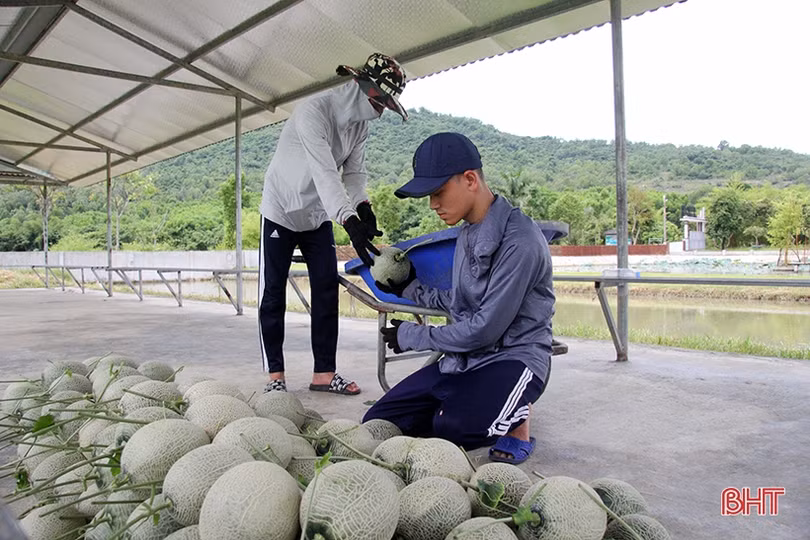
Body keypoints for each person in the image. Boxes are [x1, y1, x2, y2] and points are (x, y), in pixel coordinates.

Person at [363, 132, 555, 464]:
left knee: (455, 428)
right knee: (379, 422)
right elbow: (462, 301)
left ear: (470, 180)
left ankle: (519, 417)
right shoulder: (468, 230)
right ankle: (468, 402)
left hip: (514, 358)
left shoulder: (521, 241)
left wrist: (415, 335)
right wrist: (409, 288)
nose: (432, 204)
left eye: (438, 192)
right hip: (466, 359)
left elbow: (484, 329)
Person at [259, 53, 408, 395]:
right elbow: (324, 172)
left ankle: (324, 374)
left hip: (317, 215)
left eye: (387, 104)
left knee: (327, 288)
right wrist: (348, 220)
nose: (381, 108)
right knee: (273, 293)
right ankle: (275, 377)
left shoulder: (360, 126)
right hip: (280, 210)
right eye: (380, 99)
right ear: (360, 85)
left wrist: (363, 208)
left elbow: (353, 174)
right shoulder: (314, 112)